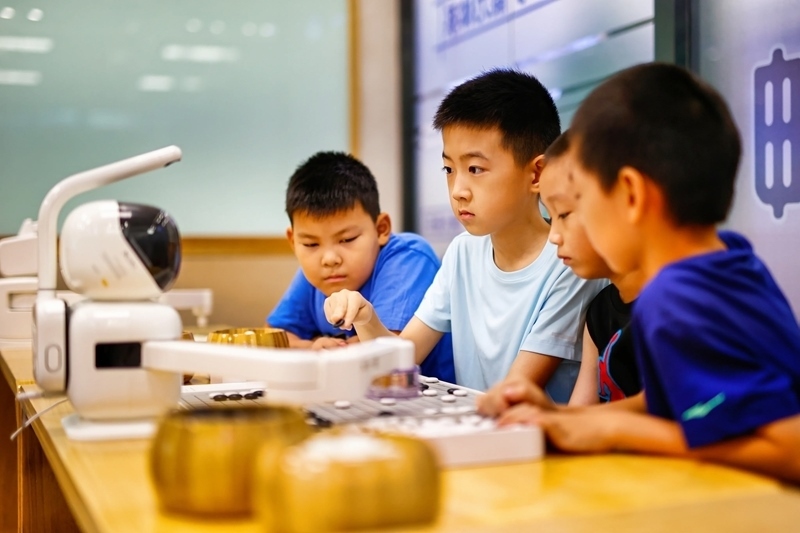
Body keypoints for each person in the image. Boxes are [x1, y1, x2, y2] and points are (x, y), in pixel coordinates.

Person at [485, 63, 800, 483]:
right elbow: (681, 400)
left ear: (631, 194)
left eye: (583, 199)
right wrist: (566, 419)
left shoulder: (672, 296)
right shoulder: (732, 259)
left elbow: (790, 447)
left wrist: (616, 430)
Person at [322, 69, 605, 401]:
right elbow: (400, 362)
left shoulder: (569, 263)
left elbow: (512, 394)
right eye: (449, 169)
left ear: (536, 174)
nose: (458, 190)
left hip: (525, 430)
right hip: (478, 423)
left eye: (475, 169)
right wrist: (366, 316)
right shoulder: (463, 251)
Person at [479, 131, 641, 412]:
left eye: (564, 215)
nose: (554, 236)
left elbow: (682, 421)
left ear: (629, 198)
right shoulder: (599, 312)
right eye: (551, 217)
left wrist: (557, 418)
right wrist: (552, 415)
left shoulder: (680, 306)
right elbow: (582, 414)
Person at [267, 151, 455, 383]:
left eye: (347, 239)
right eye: (310, 244)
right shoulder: (317, 273)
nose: (329, 259)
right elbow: (274, 338)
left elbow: (385, 352)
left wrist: (324, 352)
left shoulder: (407, 257)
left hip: (425, 395)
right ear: (293, 241)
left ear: (381, 229)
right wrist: (312, 348)